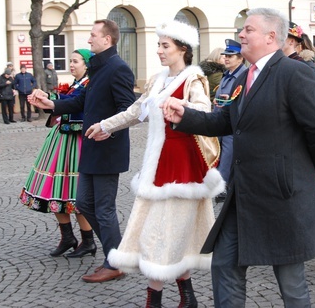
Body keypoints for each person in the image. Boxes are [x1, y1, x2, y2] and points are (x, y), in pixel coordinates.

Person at [162, 7, 315, 307]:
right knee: (225, 265)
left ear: (271, 37)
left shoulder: (294, 73)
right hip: (243, 195)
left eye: (249, 29)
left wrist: (296, 171)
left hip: (282, 196)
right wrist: (185, 115)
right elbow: (226, 121)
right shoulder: (247, 75)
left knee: (291, 283)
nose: (241, 34)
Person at [86, 20, 224, 307]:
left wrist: (180, 107)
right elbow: (136, 111)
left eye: (165, 46)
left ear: (182, 49)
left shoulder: (193, 79)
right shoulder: (158, 79)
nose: (159, 51)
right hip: (156, 166)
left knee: (160, 234)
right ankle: (187, 297)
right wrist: (105, 126)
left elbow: (204, 111)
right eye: (159, 45)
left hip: (181, 168)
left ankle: (155, 300)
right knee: (167, 233)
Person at [29, 19, 135, 284]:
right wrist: (50, 103)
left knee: (104, 208)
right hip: (90, 149)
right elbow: (80, 101)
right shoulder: (98, 69)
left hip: (107, 150)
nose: (89, 40)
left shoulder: (118, 69)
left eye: (92, 35)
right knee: (85, 203)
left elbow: (128, 110)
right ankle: (117, 254)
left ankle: (115, 261)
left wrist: (107, 129)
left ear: (107, 40)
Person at [20, 50, 96, 259]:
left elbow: (74, 104)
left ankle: (88, 241)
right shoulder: (76, 84)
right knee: (56, 190)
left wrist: (50, 98)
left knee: (75, 193)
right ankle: (68, 237)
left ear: (87, 64)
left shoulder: (89, 84)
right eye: (70, 61)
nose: (71, 65)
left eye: (75, 61)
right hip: (61, 141)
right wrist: (46, 98)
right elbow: (66, 100)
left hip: (76, 144)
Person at [213, 39, 247, 190]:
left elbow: (243, 99)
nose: (226, 58)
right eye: (225, 55)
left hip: (232, 123)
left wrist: (229, 101)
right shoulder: (227, 74)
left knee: (228, 155)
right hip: (220, 121)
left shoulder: (244, 75)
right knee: (219, 154)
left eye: (230, 56)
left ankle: (222, 185)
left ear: (240, 58)